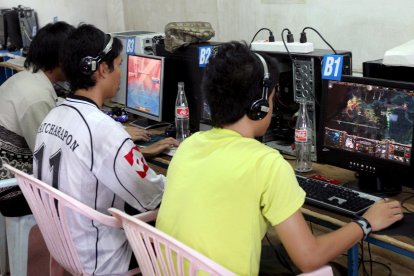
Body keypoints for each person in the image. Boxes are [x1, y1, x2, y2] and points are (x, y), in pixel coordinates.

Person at [155, 41, 403, 275]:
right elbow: (309, 257)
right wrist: (365, 223)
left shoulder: (188, 146)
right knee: (332, 269)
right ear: (260, 105)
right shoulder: (266, 163)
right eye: (273, 98)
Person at [33, 24, 178, 275]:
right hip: (101, 257)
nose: (120, 74)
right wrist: (185, 174)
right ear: (102, 69)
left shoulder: (52, 117)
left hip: (64, 245)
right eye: (119, 65)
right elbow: (153, 196)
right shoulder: (103, 129)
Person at [0, 21, 75, 217]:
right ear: (61, 59)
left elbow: (57, 104)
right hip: (10, 188)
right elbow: (50, 159)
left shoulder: (28, 79)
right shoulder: (36, 97)